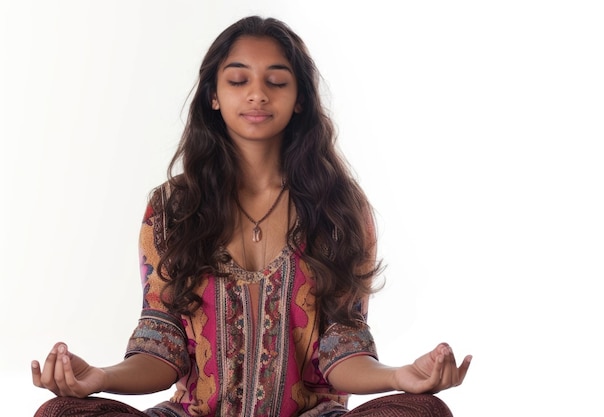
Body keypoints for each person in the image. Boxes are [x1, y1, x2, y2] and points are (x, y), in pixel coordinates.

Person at [31, 15, 471, 417]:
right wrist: (100, 379)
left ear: (300, 99)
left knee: (423, 411)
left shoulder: (338, 208)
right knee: (62, 413)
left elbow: (344, 351)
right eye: (238, 80)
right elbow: (161, 347)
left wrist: (400, 377)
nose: (257, 94)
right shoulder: (172, 207)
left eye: (277, 82)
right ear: (214, 97)